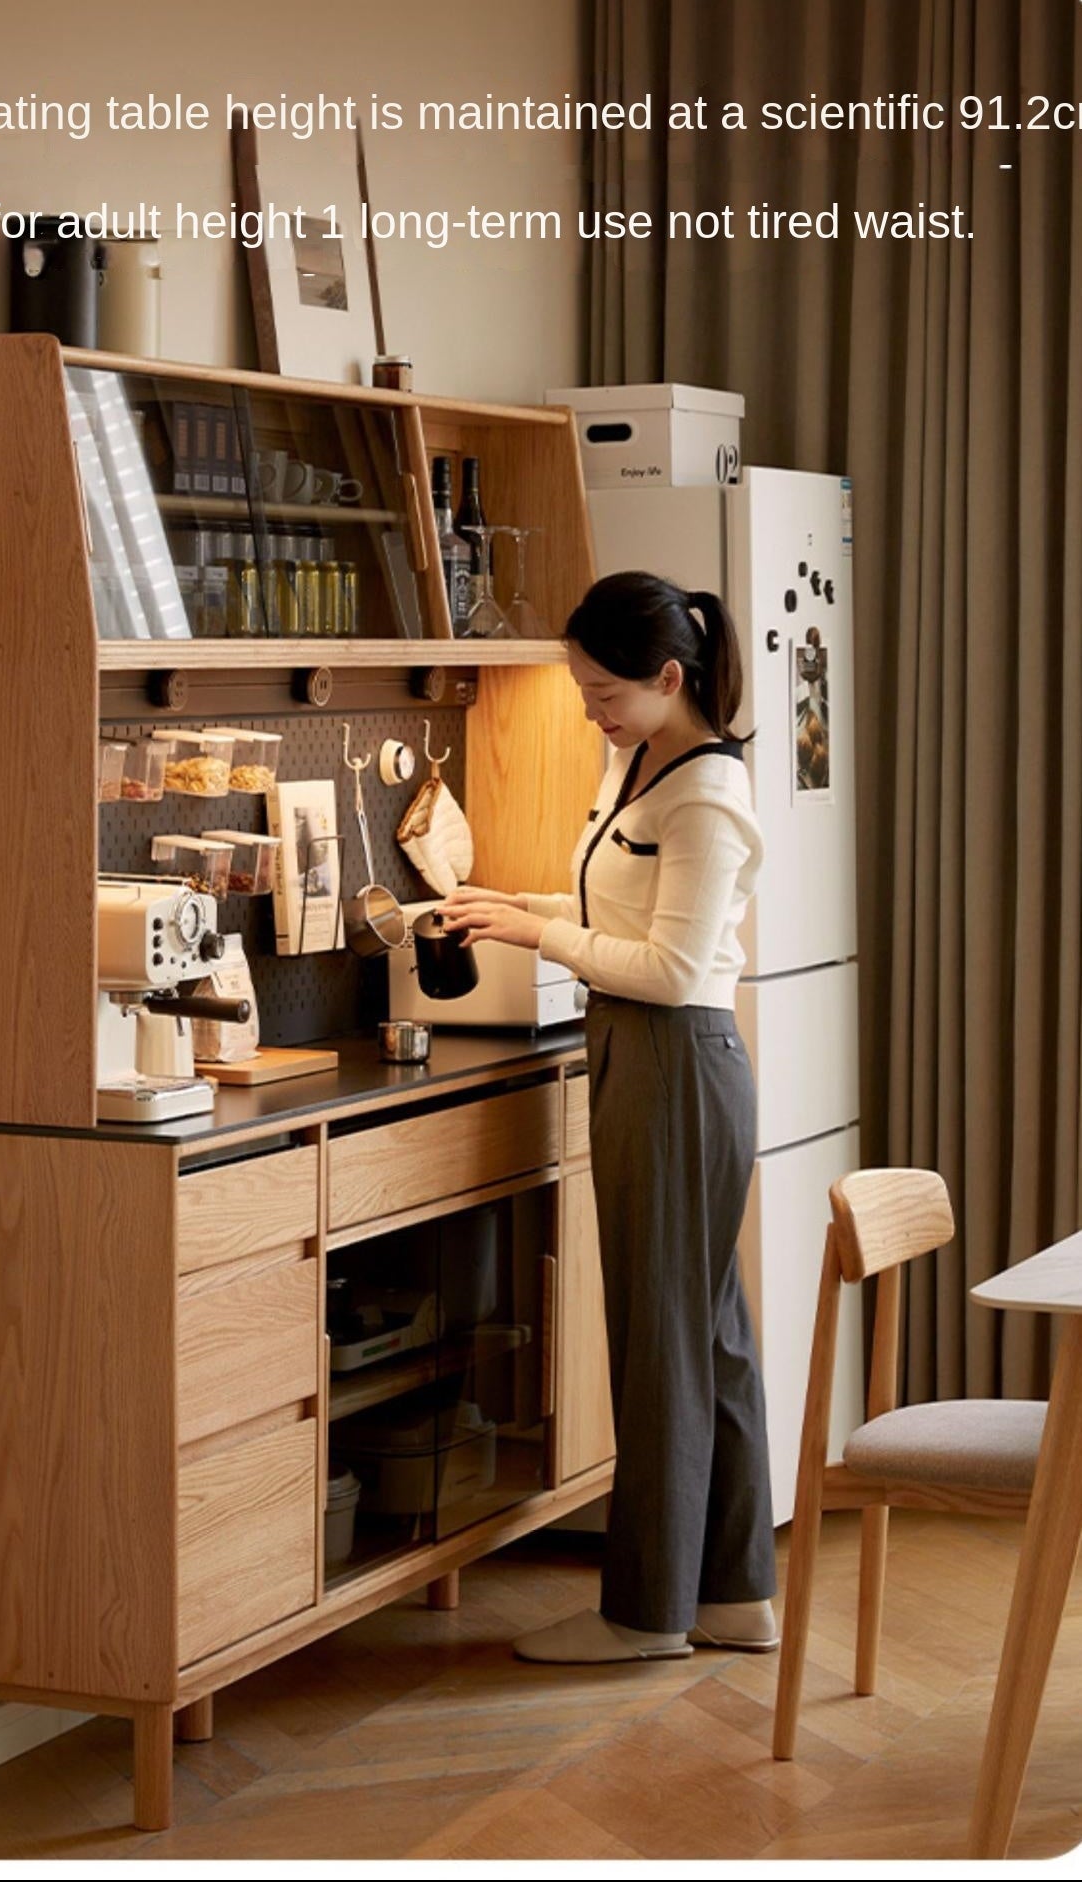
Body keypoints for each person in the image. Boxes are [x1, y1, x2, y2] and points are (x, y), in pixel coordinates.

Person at [439, 570, 778, 1664]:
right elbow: (608, 905)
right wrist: (510, 904)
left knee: (661, 1340)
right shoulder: (638, 762)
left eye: (604, 692)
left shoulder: (708, 796)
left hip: (677, 1060)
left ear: (669, 678)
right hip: (639, 1054)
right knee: (705, 1333)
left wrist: (538, 939)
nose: (590, 707)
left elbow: (675, 967)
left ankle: (644, 1613)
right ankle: (732, 1594)